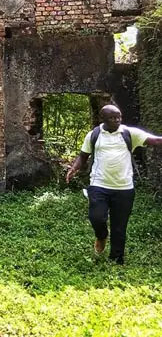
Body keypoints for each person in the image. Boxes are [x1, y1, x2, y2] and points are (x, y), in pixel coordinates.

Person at [66, 104, 162, 264]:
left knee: (120, 226)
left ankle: (117, 259)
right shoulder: (94, 135)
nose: (117, 120)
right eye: (112, 117)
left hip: (124, 188)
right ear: (102, 119)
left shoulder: (128, 133)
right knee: (96, 217)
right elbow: (83, 155)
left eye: (119, 117)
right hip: (99, 185)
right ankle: (102, 236)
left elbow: (156, 140)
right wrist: (74, 168)